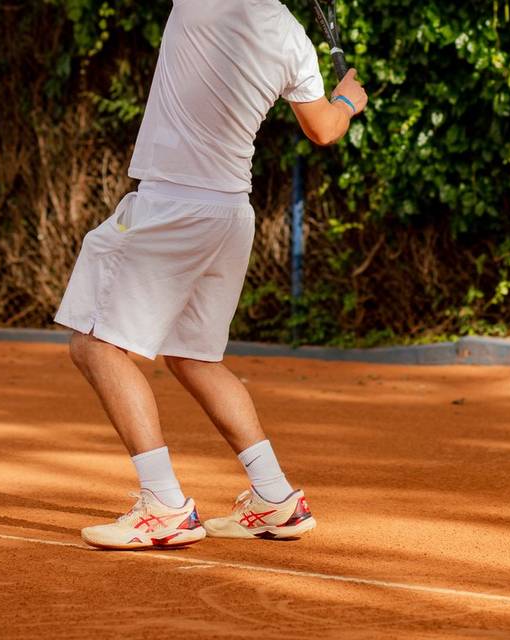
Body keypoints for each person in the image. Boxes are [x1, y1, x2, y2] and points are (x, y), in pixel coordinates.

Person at [54, 0, 368, 549]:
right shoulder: (293, 37)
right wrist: (345, 100)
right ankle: (275, 499)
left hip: (173, 206)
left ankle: (165, 506)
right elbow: (323, 129)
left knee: (95, 346)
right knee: (195, 359)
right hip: (229, 212)